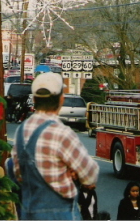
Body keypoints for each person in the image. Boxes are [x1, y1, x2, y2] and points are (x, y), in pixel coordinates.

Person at [11, 72, 99, 220]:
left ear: (34, 99)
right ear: (61, 99)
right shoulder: (61, 132)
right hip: (61, 214)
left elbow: (17, 173)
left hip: (29, 212)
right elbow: (90, 173)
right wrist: (70, 173)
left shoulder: (22, 130)